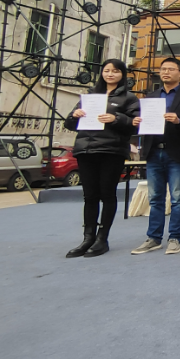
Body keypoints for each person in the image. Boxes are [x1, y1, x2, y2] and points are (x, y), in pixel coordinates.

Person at [63, 58, 139, 258]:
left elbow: (136, 124)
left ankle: (102, 239)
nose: (110, 74)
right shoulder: (90, 96)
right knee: (89, 196)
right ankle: (87, 238)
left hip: (111, 151)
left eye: (115, 71)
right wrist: (74, 115)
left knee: (107, 194)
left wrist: (116, 118)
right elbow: (69, 124)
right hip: (86, 150)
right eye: (106, 70)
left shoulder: (129, 98)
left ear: (122, 74)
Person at [130, 57, 180, 255]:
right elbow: (141, 124)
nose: (166, 72)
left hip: (176, 152)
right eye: (163, 69)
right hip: (153, 152)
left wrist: (179, 121)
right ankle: (154, 237)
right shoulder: (150, 97)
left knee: (177, 198)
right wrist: (137, 122)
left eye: (171, 69)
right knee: (155, 198)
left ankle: (175, 237)